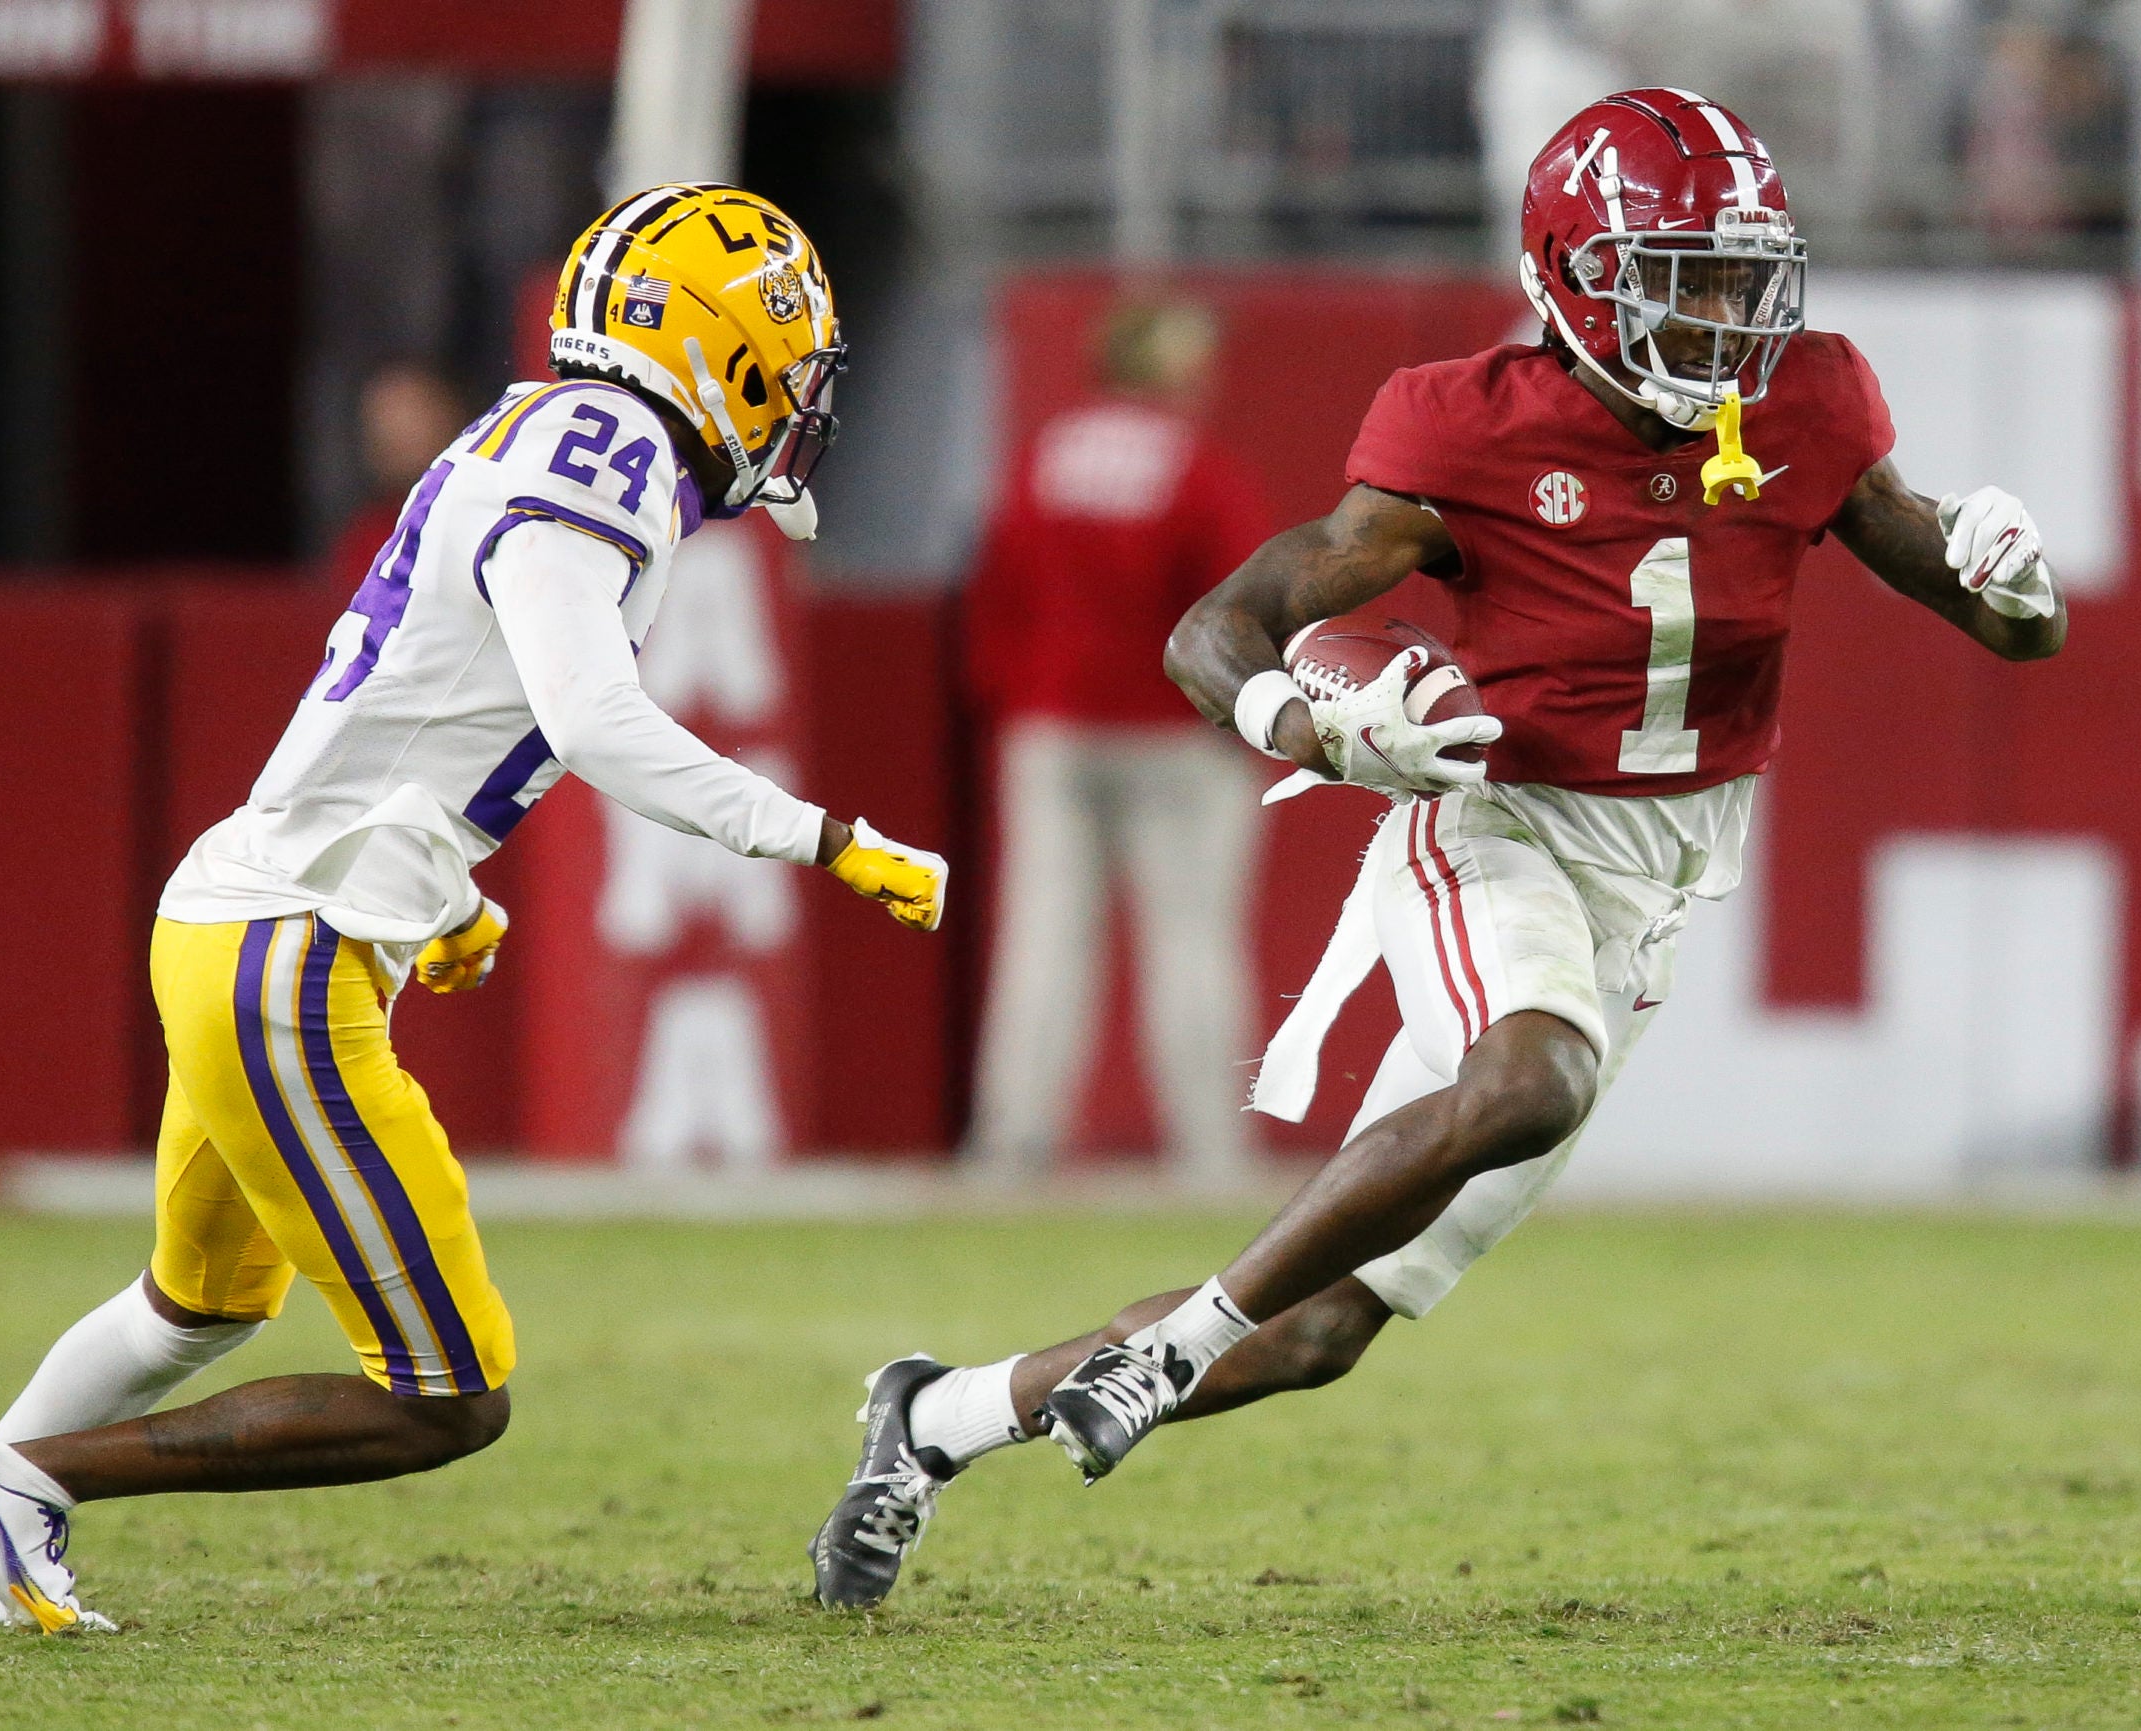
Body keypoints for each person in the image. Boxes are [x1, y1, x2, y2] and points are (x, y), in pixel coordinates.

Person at [810, 89, 2066, 1610]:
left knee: (1323, 1331)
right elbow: (1221, 627)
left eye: (1739, 274)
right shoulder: (1469, 421)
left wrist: (2020, 586)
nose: (1721, 313)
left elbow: (1993, 621)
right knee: (1534, 1075)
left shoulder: (1806, 401)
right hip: (1495, 821)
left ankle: (929, 1416)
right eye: (1676, 274)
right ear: (1570, 272)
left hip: (1652, 882)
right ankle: (1180, 1338)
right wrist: (1315, 727)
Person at [0, 183, 948, 1633]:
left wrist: (442, 886)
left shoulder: (548, 430)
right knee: (445, 1391)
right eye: (784, 369)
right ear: (717, 352)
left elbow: (433, 706)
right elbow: (594, 716)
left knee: (198, 1302)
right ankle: (11, 1485)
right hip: (286, 952)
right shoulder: (599, 455)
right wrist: (823, 835)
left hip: (251, 913)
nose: (800, 404)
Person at [960, 300, 1277, 1187]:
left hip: (1052, 726)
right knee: (1194, 940)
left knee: (1043, 936)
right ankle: (1211, 1149)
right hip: (1177, 736)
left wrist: (1015, 699)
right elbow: (1241, 602)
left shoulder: (1046, 457)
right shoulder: (1197, 468)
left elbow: (998, 590)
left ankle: (1015, 1139)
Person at [325, 362, 474, 604]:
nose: (399, 429)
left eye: (416, 410)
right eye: (383, 417)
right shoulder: (368, 541)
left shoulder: (499, 511)